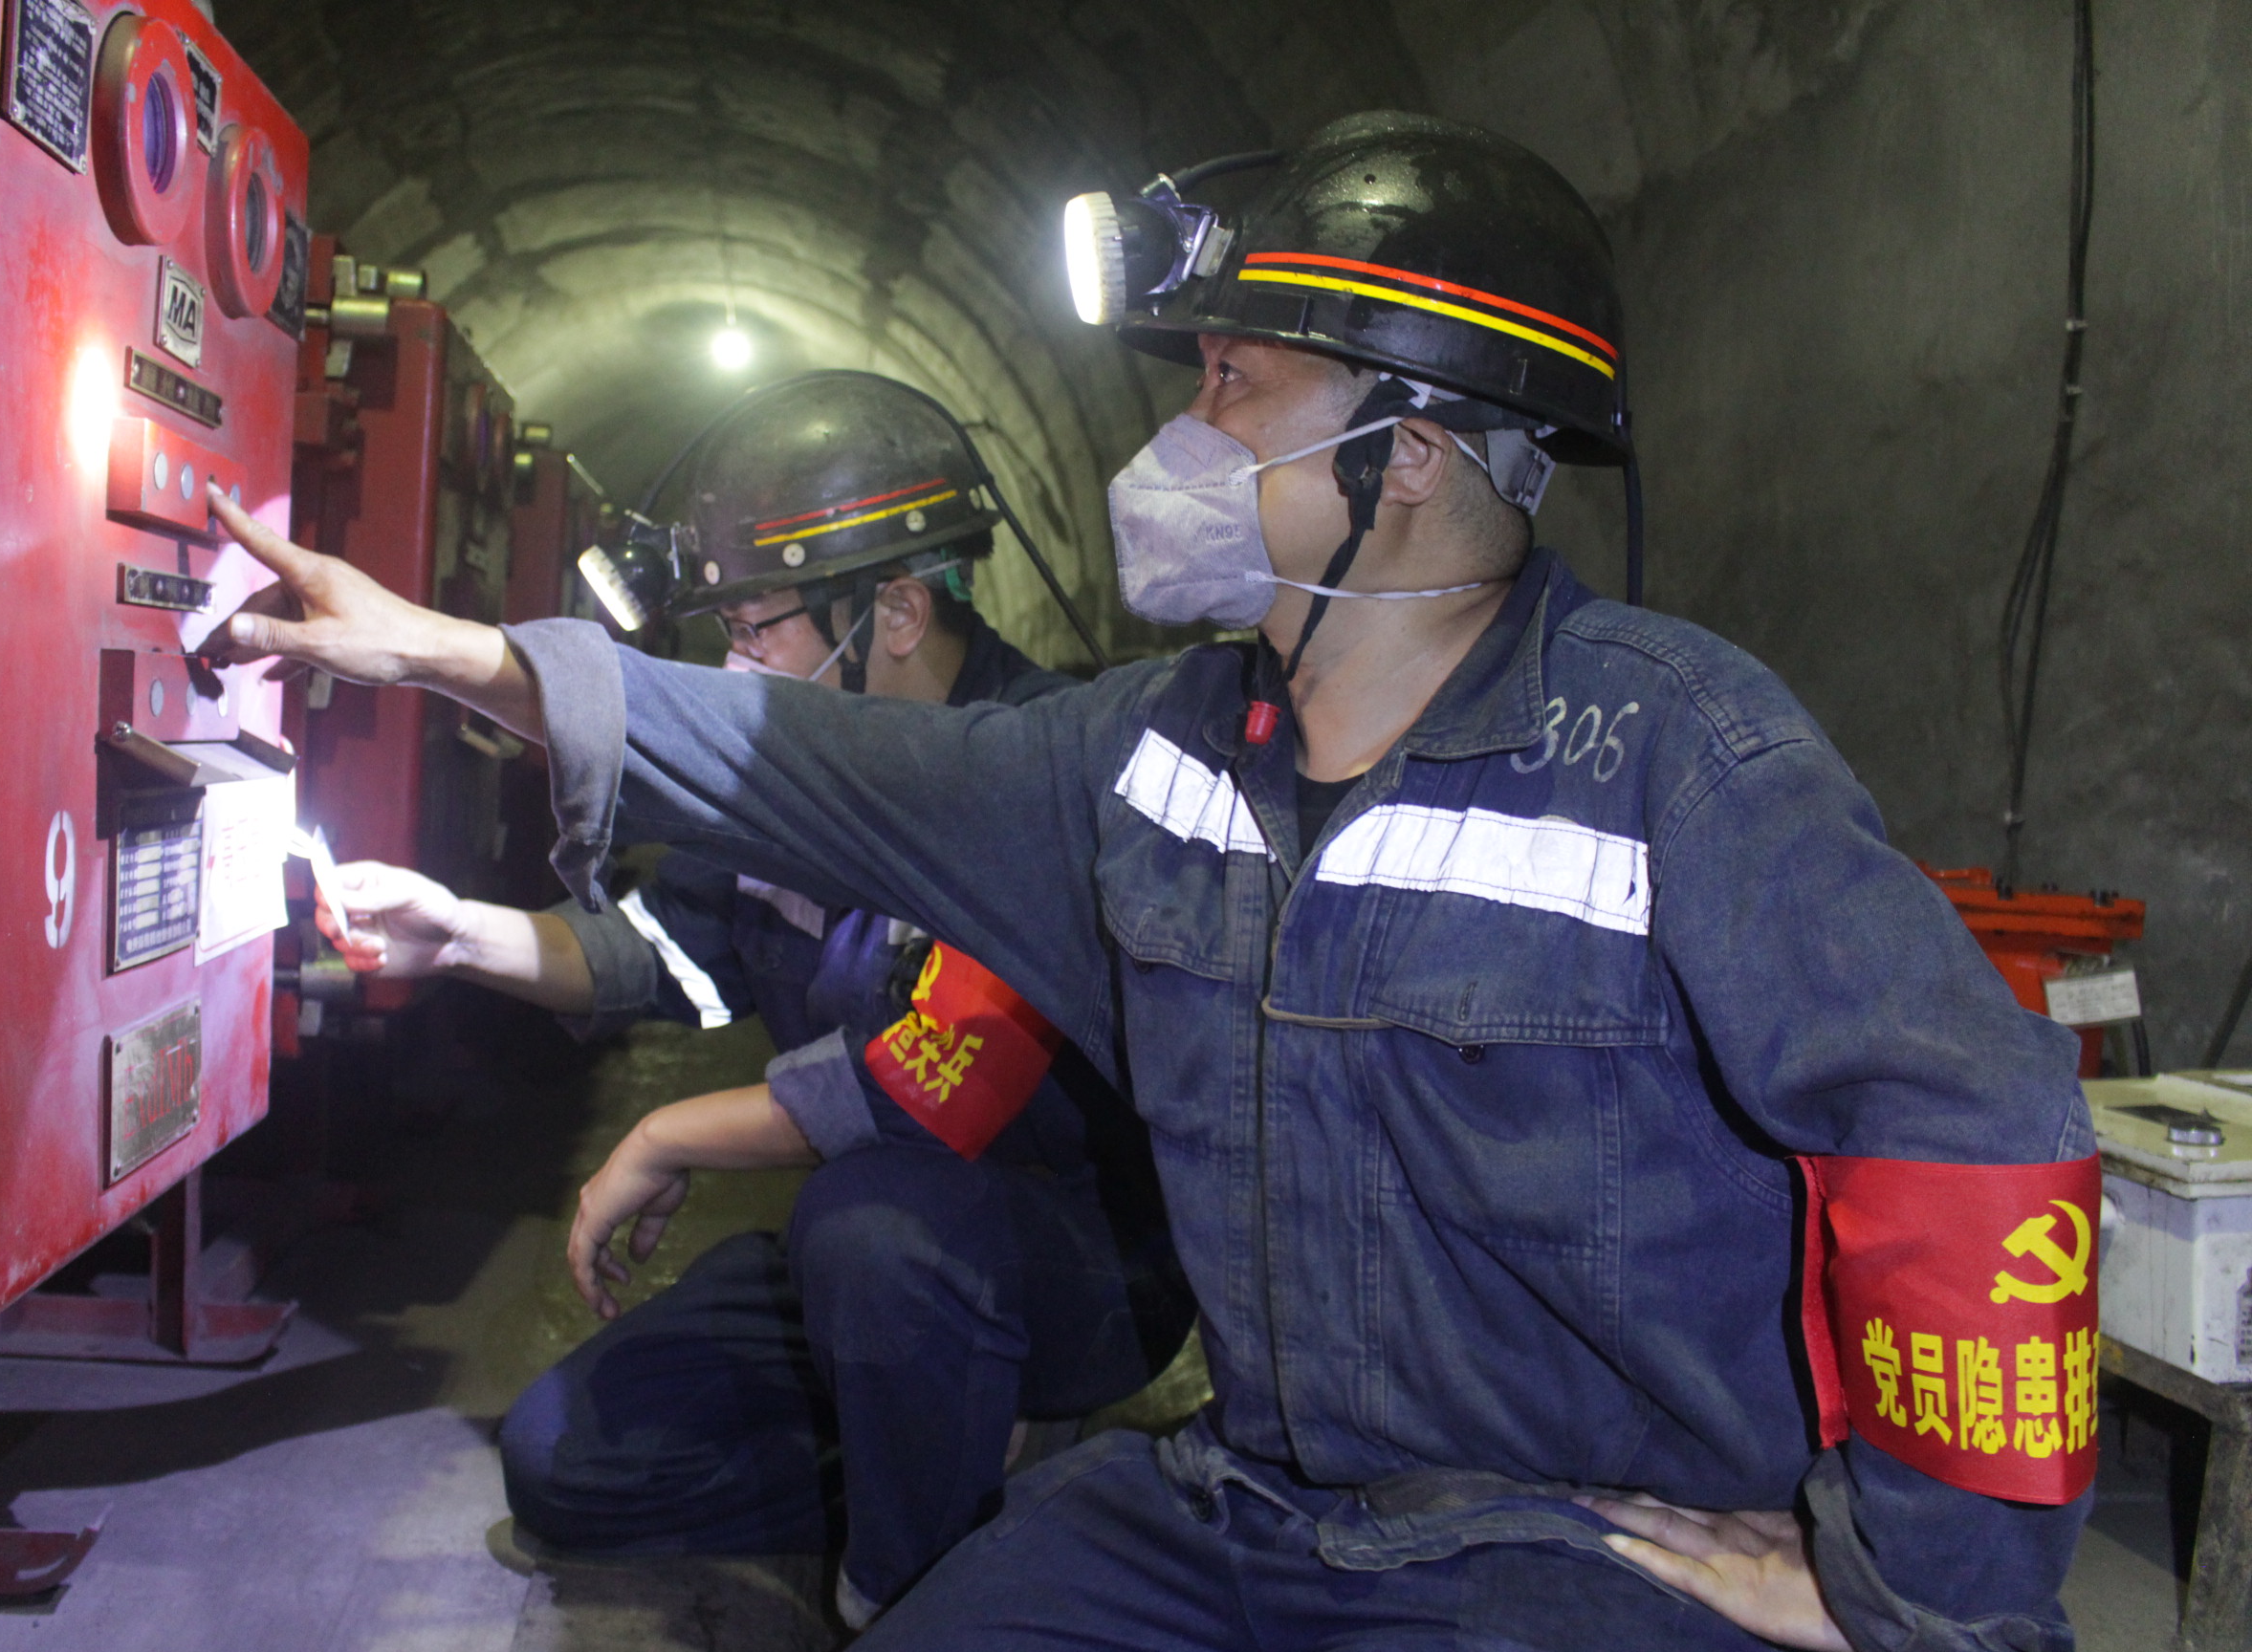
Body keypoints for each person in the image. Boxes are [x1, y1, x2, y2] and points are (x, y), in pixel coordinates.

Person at [208, 115, 2099, 1652]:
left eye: (1233, 391)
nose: (1179, 445)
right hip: (1250, 1511)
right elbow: (815, 762)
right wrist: (459, 657)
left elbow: (1972, 1125)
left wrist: (1915, 1584)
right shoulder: (1149, 754)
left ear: (1406, 455)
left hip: (1568, 1555)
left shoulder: (1679, 754)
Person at [305, 373, 1192, 1629]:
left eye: (755, 629)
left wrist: (669, 1132)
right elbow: (655, 949)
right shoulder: (791, 767)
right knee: (564, 1463)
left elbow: (930, 1083)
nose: (733, 665)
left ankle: (910, 1597)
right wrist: (455, 936)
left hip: (1050, 1262)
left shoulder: (1037, 767)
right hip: (865, 1278)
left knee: (870, 1226)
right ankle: (947, 1459)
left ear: (893, 609)